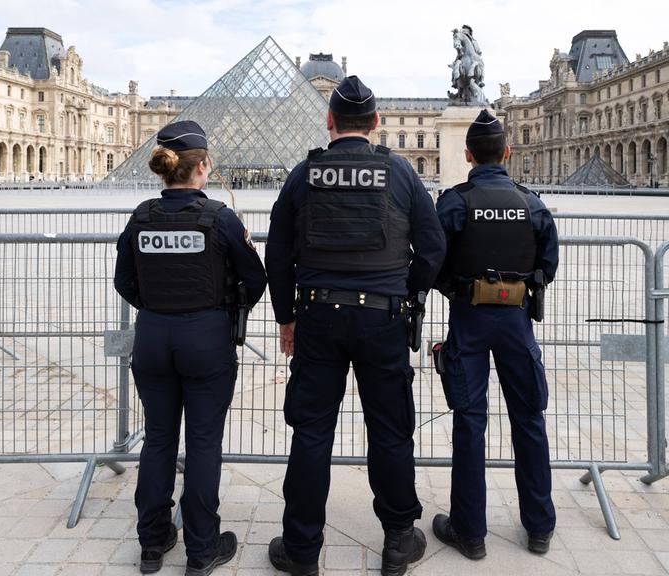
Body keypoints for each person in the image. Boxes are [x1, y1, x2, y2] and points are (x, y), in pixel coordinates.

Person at [265, 76, 446, 576]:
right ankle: (397, 540)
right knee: (390, 431)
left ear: (329, 122)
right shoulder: (402, 175)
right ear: (376, 123)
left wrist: (286, 318)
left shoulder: (305, 174)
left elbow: (277, 255)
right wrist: (406, 291)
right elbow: (432, 249)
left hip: (319, 316)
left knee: (312, 433)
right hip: (383, 317)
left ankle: (301, 550)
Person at [114, 120, 267, 575]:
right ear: (202, 167)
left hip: (154, 338)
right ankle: (202, 550)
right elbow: (256, 280)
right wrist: (222, 308)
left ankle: (152, 542)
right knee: (203, 443)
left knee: (158, 438)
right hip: (206, 338)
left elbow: (124, 281)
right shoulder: (220, 217)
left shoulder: (141, 217)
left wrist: (157, 306)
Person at [433, 109, 558, 559]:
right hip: (516, 319)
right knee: (529, 419)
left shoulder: (454, 200)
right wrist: (523, 288)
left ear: (468, 154)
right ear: (507, 152)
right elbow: (549, 263)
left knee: (470, 422)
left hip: (469, 316)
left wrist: (456, 289)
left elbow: (433, 256)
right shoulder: (531, 201)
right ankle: (540, 526)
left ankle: (470, 532)